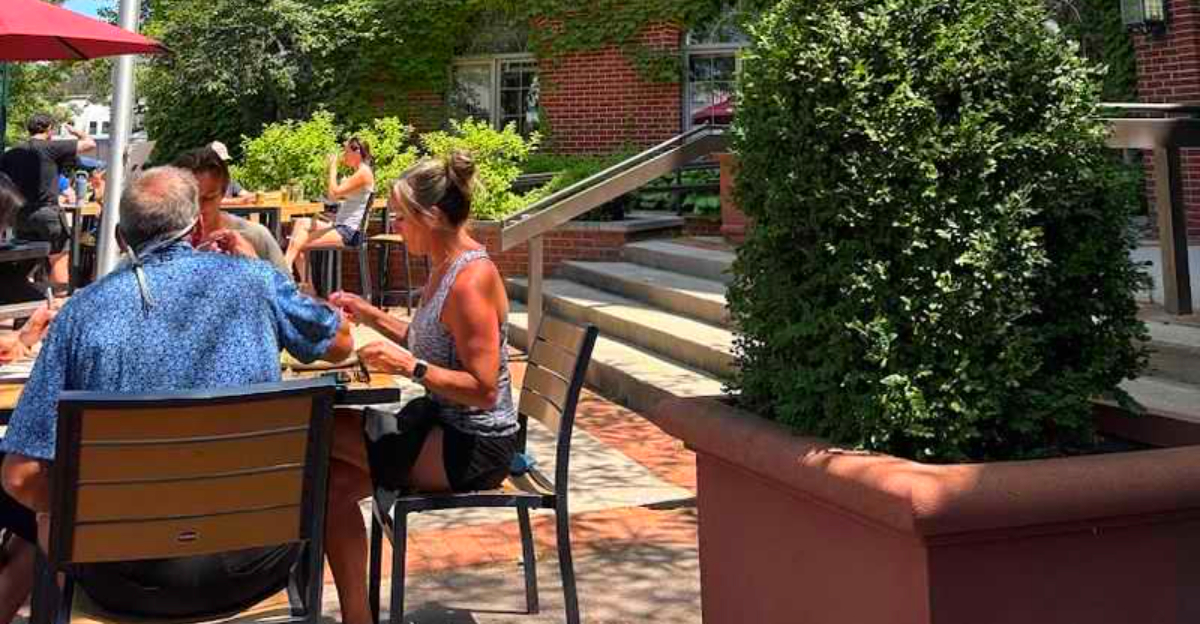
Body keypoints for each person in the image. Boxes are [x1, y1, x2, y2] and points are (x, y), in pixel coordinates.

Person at [0, 166, 355, 621]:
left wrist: (87, 512)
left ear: (121, 238)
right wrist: (259, 269)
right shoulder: (257, 282)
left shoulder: (81, 314)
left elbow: (21, 476)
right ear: (199, 227)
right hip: (254, 562)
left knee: (48, 516)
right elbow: (340, 342)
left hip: (122, 577)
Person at [324, 152, 516, 624]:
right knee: (331, 486)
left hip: (474, 446)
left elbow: (484, 390)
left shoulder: (470, 281)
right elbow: (426, 338)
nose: (393, 225)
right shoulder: (444, 265)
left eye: (399, 216)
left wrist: (411, 368)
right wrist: (368, 313)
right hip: (440, 425)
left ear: (429, 217)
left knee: (317, 432)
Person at [0, 113, 97, 286]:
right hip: (47, 213)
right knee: (58, 257)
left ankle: (25, 295)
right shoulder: (52, 147)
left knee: (26, 258)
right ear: (49, 130)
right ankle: (59, 298)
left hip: (19, 215)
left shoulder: (12, 153)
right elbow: (90, 143)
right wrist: (76, 131)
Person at [173, 147, 289, 275]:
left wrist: (255, 265)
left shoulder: (254, 235)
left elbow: (287, 286)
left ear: (223, 194)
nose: (198, 207)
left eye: (208, 198)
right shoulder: (163, 239)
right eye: (189, 198)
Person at [284, 137, 375, 285]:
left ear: (357, 152)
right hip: (342, 226)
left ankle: (287, 269)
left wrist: (333, 168)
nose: (343, 155)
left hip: (350, 232)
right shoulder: (360, 172)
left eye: (346, 152)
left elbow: (333, 194)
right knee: (301, 224)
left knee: (297, 243)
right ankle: (292, 271)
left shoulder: (364, 173)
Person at [209, 141, 256, 206]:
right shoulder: (203, 182)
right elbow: (212, 201)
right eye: (219, 161)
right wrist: (238, 201)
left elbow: (244, 193)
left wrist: (254, 196)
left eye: (225, 161)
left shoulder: (228, 181)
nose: (224, 164)